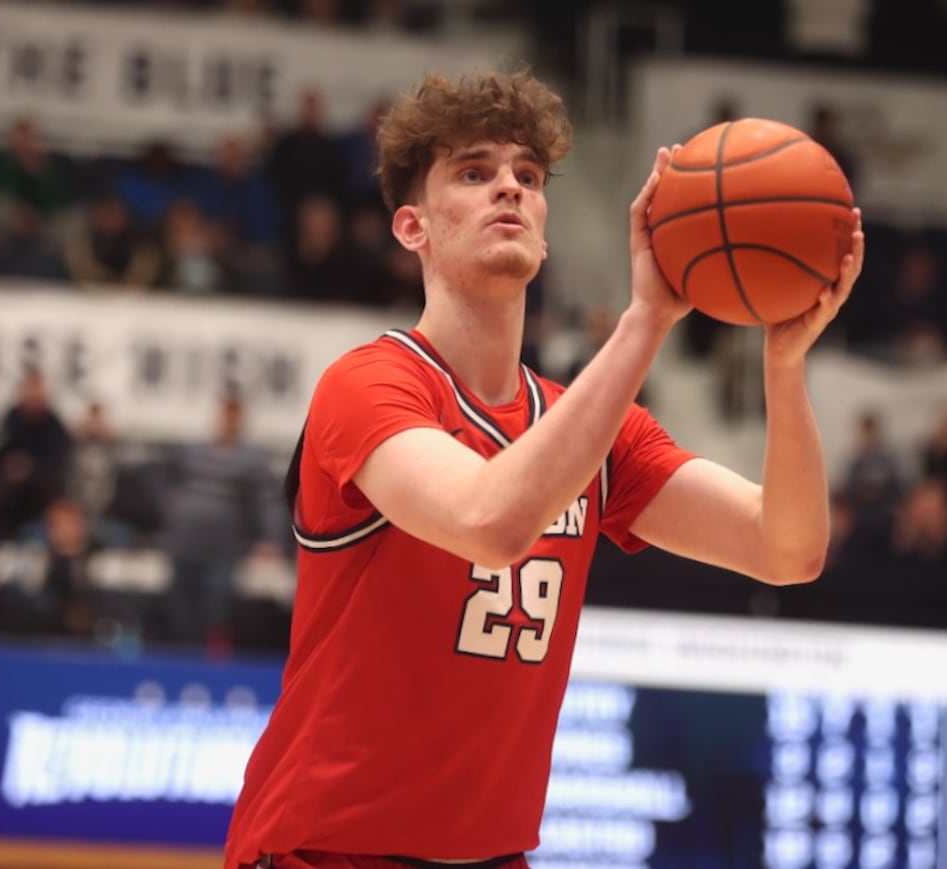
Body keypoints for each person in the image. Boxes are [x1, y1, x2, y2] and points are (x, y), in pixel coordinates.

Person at [223, 69, 862, 868]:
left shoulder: (596, 427)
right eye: (474, 172)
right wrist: (646, 320)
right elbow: (490, 522)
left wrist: (785, 366)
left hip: (493, 855)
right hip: (326, 850)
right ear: (412, 227)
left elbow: (787, 548)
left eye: (527, 175)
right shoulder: (369, 384)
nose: (509, 189)